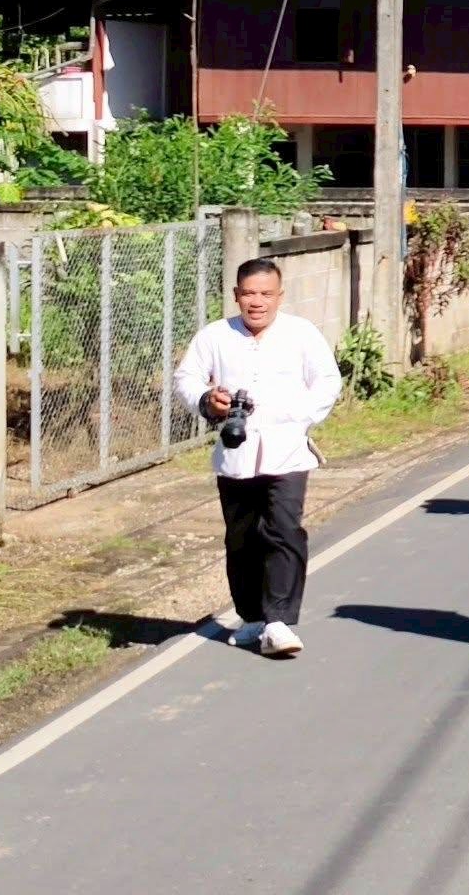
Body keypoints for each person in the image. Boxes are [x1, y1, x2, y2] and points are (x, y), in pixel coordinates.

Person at [174, 258, 343, 659]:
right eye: (249, 293)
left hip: (287, 452)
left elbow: (327, 381)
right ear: (236, 296)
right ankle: (251, 616)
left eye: (266, 294)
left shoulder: (301, 334)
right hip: (236, 453)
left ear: (279, 296)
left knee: (284, 530)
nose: (257, 302)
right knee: (242, 537)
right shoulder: (215, 336)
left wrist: (297, 417)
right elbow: (187, 378)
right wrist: (207, 401)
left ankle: (279, 620)